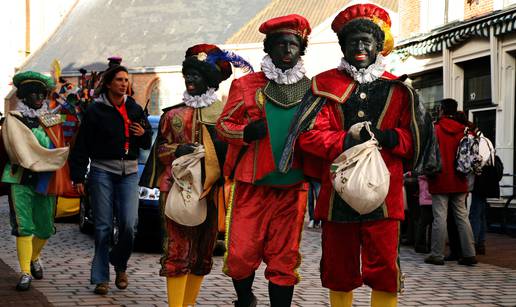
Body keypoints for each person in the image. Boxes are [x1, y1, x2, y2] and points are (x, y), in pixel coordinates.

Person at [279, 4, 428, 306]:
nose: (359, 47)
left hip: (385, 196)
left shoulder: (399, 90)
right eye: (352, 41)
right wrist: (347, 137)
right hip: (337, 195)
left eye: (366, 41)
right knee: (339, 267)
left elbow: (416, 141)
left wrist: (388, 137)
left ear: (377, 47)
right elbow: (308, 137)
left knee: (385, 267)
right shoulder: (324, 86)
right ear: (343, 47)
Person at [141, 44, 251, 307]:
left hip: (211, 192)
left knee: (202, 253)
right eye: (188, 75)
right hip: (175, 189)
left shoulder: (226, 114)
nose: (190, 80)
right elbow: (160, 151)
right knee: (177, 249)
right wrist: (178, 150)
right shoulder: (172, 115)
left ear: (210, 81)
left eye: (197, 75)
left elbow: (235, 153)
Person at [216, 14, 311, 307]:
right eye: (280, 44)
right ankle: (245, 299)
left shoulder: (312, 89)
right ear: (269, 48)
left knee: (284, 258)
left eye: (293, 44)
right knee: (241, 253)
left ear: (301, 49)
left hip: (293, 187)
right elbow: (222, 126)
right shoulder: (246, 85)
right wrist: (245, 131)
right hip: (252, 184)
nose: (287, 50)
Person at [69, 65, 152, 294]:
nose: (124, 83)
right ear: (108, 83)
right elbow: (81, 145)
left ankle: (120, 263)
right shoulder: (95, 111)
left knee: (128, 224)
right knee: (103, 227)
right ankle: (101, 278)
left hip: (129, 173)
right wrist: (77, 176)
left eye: (126, 80)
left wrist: (143, 134)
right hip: (101, 171)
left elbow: (147, 142)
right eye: (119, 80)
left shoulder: (134, 108)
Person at [1, 71, 69, 290]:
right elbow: (15, 148)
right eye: (34, 93)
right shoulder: (13, 119)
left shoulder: (52, 118)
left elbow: (62, 139)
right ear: (25, 95)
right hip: (19, 178)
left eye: (42, 93)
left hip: (45, 179)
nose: (39, 97)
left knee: (45, 228)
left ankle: (34, 256)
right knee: (24, 226)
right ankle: (25, 272)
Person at [424, 98, 477, 266]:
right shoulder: (465, 130)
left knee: (439, 217)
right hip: (460, 179)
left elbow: (427, 152)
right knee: (462, 216)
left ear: (441, 110)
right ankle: (469, 253)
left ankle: (437, 254)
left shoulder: (435, 129)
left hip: (440, 178)